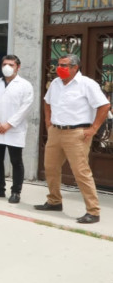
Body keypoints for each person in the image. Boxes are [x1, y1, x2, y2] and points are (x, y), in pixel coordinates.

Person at [37, 54, 109, 224]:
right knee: (50, 167)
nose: (59, 68)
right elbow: (46, 102)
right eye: (58, 64)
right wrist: (48, 121)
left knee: (81, 172)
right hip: (56, 131)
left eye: (64, 65)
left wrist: (94, 128)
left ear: (75, 67)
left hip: (77, 133)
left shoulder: (87, 84)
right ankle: (54, 201)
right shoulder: (55, 84)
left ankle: (93, 211)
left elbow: (104, 106)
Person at [0, 55, 34, 204]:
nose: (7, 67)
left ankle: (16, 192)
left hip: (13, 129)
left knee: (16, 160)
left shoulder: (25, 85)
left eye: (11, 64)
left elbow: (26, 108)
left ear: (18, 66)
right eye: (5, 64)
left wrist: (8, 124)